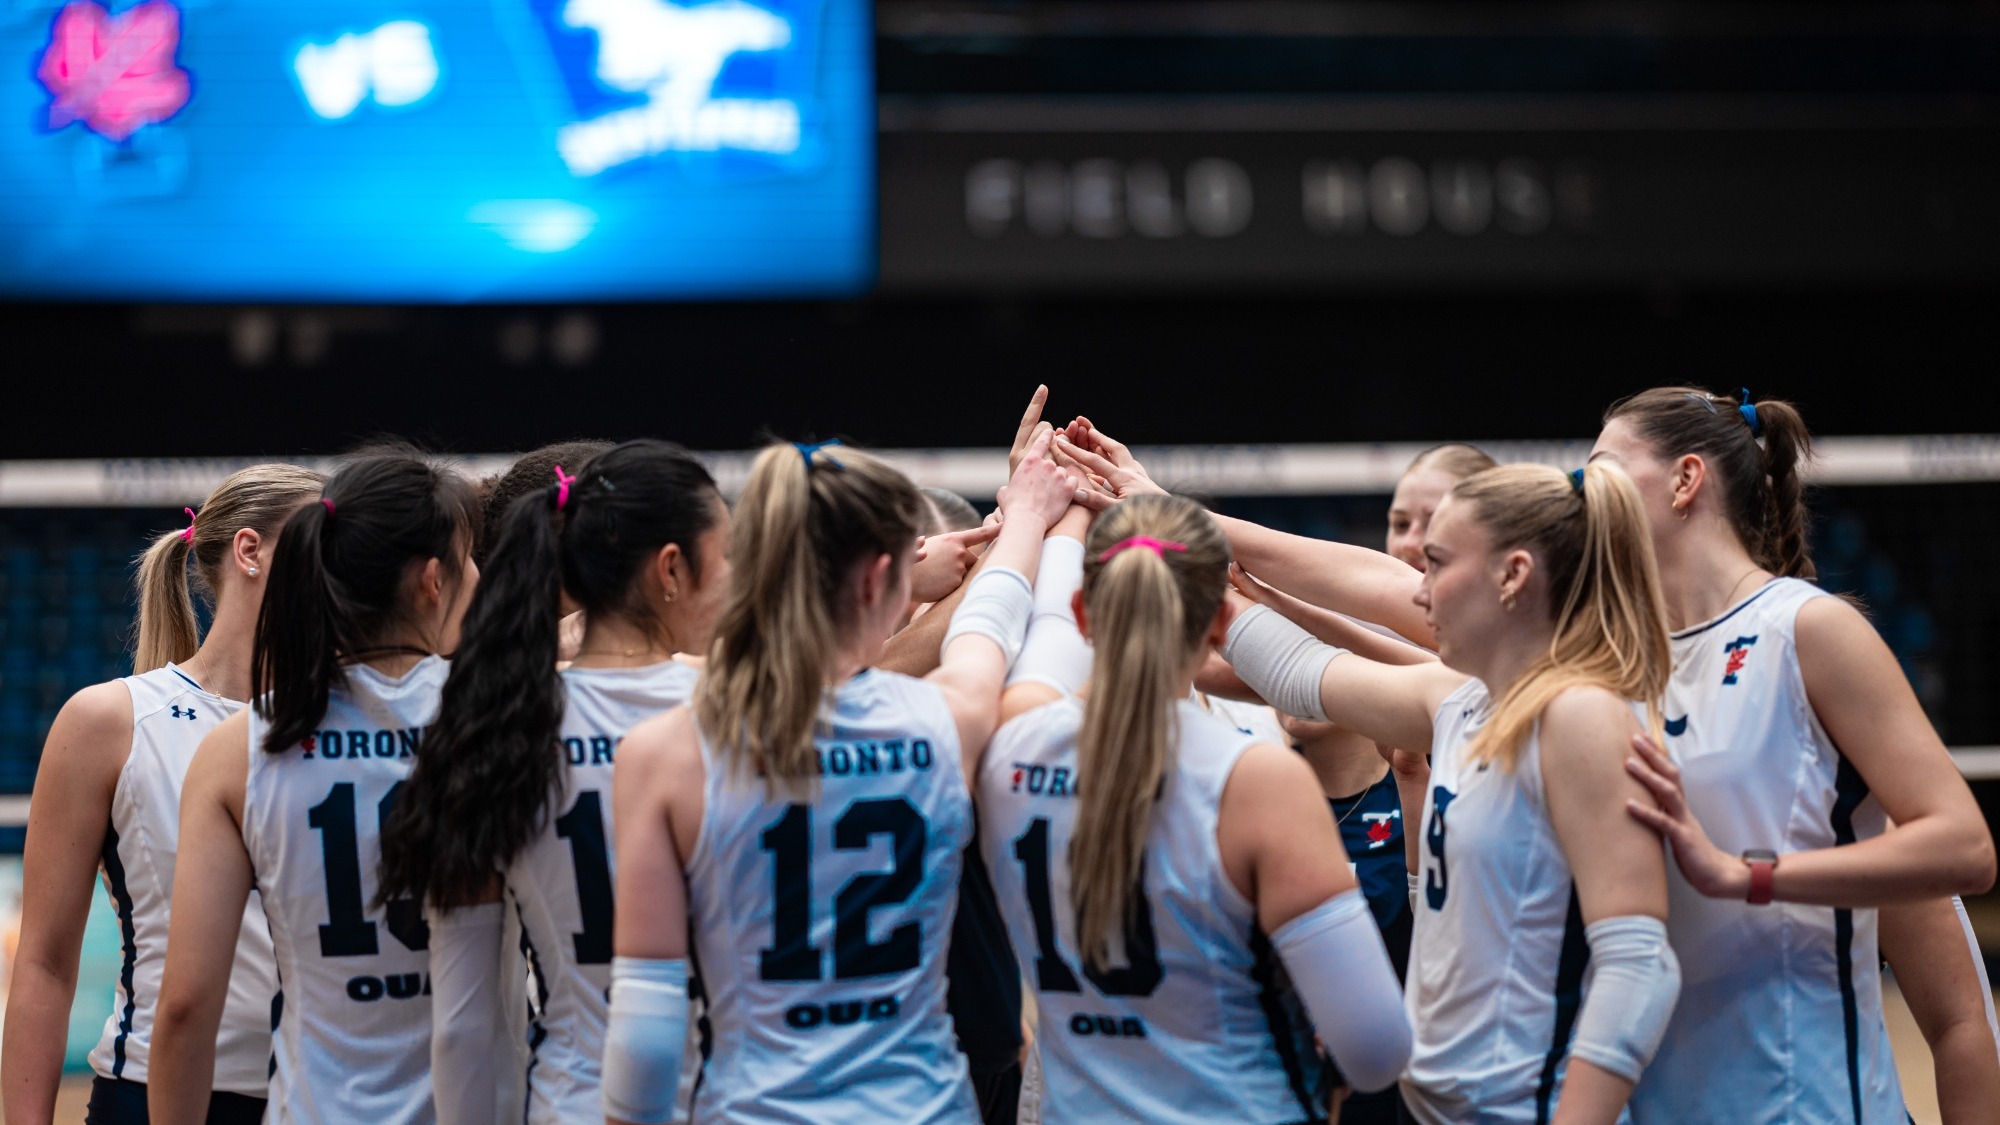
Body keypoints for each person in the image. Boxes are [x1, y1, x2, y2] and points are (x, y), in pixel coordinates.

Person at [601, 436, 1083, 1125]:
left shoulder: (663, 752)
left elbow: (646, 1027)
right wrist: (1036, 514)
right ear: (875, 579)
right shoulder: (941, 720)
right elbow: (991, 628)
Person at [1222, 462, 1683, 1124]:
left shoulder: (1582, 714)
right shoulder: (1463, 701)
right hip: (1443, 1105)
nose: (1418, 592)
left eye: (1435, 563)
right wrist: (1157, 537)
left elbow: (1639, 964)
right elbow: (1299, 671)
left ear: (1513, 575)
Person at [1591, 387, 1998, 1124]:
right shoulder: (1614, 666)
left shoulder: (1808, 630)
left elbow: (1965, 847)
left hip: (1809, 1103)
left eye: (1603, 470)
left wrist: (1744, 876)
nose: (1586, 499)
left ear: (1685, 480)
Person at [981, 492, 1411, 1123]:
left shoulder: (1009, 744)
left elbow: (1043, 634)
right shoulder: (1258, 779)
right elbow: (1376, 1052)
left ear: (1084, 612)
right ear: (1220, 628)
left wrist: (1051, 509)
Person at [376, 441, 729, 1124]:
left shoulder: (493, 727)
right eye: (729, 555)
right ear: (672, 568)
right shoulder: (741, 713)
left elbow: (463, 1023)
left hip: (572, 1099)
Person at [147, 449, 481, 1125]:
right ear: (431, 581)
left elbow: (184, 1006)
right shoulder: (501, 721)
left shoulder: (236, 745)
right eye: (471, 557)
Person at [2, 465, 323, 1125]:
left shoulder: (352, 722)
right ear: (249, 550)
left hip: (321, 1100)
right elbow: (44, 963)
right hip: (146, 1097)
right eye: (322, 543)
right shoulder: (109, 722)